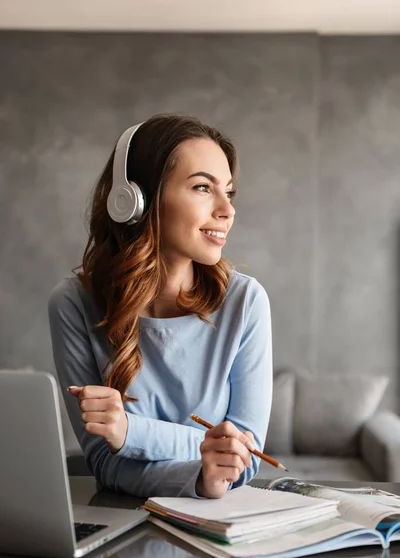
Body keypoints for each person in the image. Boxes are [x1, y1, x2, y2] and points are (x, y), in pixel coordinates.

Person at [48, 114, 272, 499]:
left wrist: (130, 433)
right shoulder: (72, 304)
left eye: (229, 193)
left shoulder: (245, 302)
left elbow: (243, 456)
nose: (227, 210)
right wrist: (198, 477)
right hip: (121, 524)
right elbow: (103, 460)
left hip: (219, 528)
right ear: (135, 200)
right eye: (203, 187)